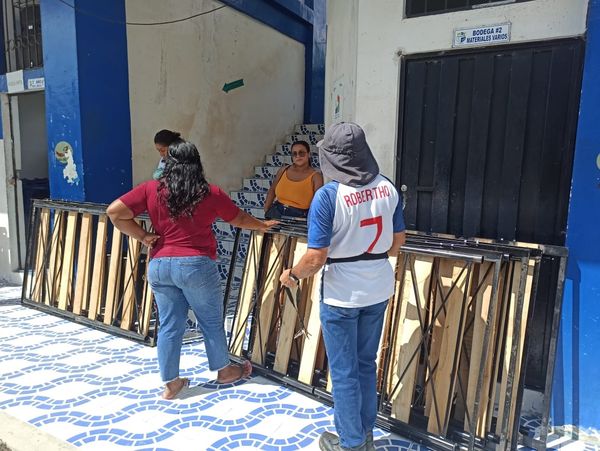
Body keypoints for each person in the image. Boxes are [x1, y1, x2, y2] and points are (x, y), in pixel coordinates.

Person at [107, 139, 277, 400]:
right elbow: (239, 219)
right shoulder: (209, 192)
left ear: (168, 163)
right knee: (210, 320)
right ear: (196, 162)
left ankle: (171, 384)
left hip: (160, 265)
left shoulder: (151, 189)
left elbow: (114, 212)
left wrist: (142, 236)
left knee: (169, 325)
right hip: (195, 264)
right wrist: (262, 225)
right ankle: (224, 371)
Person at [280, 123, 406, 451]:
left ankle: (351, 443)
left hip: (341, 295)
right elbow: (397, 244)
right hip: (378, 288)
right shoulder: (388, 188)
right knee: (365, 364)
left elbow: (316, 257)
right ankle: (364, 434)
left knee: (344, 371)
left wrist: (292, 274)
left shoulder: (328, 197)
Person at [263, 140, 323, 219]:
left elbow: (317, 203)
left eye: (301, 153)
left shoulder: (316, 177)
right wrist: (267, 209)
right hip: (276, 213)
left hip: (299, 218)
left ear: (309, 154)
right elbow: (272, 190)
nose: (298, 156)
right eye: (294, 154)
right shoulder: (283, 170)